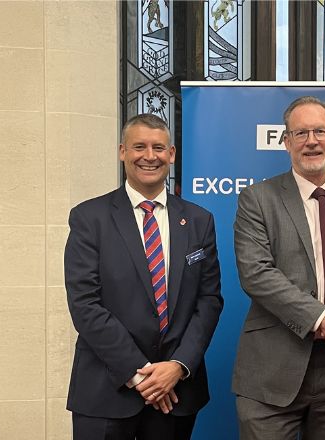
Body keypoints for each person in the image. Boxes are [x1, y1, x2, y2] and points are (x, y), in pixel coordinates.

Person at [232, 96, 325, 440]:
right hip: (273, 370)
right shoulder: (257, 199)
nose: (311, 141)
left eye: (320, 131)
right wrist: (323, 318)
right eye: (300, 133)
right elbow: (256, 274)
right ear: (286, 142)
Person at [64, 114, 223, 440]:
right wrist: (143, 376)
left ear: (172, 154)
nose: (149, 156)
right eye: (139, 147)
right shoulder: (89, 218)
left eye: (158, 148)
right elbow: (85, 305)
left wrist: (178, 366)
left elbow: (209, 301)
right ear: (123, 151)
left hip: (177, 392)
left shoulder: (198, 221)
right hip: (107, 390)